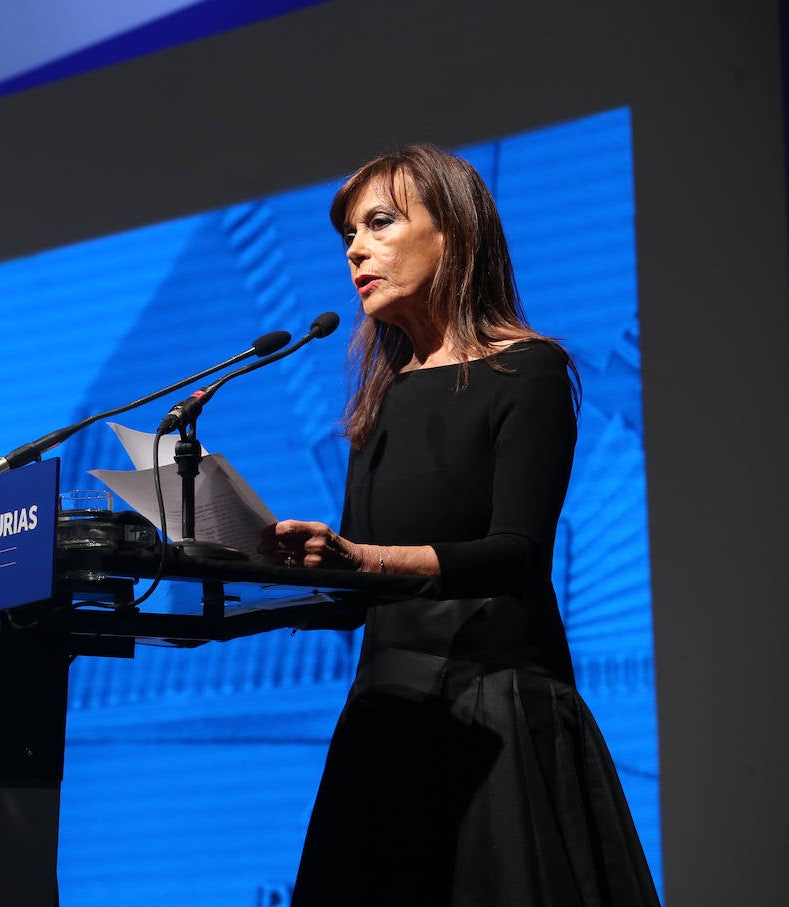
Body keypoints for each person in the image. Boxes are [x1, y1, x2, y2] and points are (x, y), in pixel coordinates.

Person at [261, 143, 661, 905]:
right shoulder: (378, 402)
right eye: (348, 234)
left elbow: (516, 554)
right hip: (384, 723)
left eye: (378, 223)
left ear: (453, 233)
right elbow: (353, 595)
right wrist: (244, 568)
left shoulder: (530, 372)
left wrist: (362, 559)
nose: (355, 249)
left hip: (494, 718)